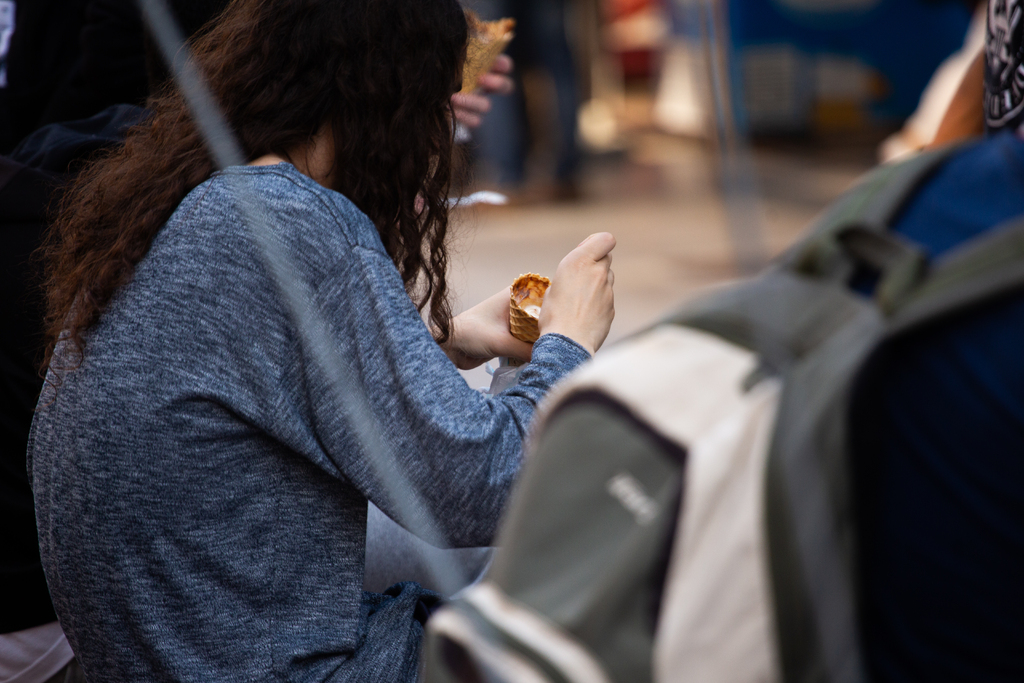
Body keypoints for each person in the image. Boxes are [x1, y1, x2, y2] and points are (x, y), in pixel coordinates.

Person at [27, 0, 614, 681]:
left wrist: (440, 340)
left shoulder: (201, 196)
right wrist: (567, 342)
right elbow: (482, 488)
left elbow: (242, 384)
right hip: (280, 667)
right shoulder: (294, 223)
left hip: (168, 648)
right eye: (437, 109)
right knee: (602, 520)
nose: (439, 142)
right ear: (391, 105)